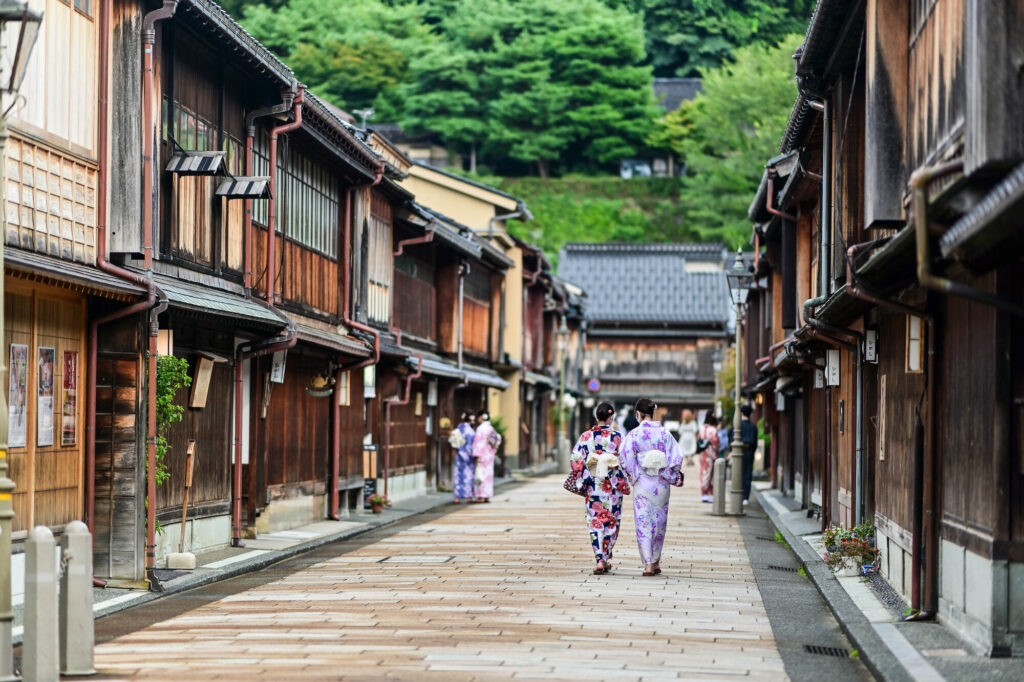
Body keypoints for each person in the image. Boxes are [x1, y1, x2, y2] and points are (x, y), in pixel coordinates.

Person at [619, 398, 683, 577]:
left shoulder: (634, 434)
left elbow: (625, 458)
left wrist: (633, 474)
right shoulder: (665, 433)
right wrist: (670, 473)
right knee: (659, 522)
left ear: (638, 414)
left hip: (643, 482)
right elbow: (676, 458)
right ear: (653, 412)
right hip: (661, 482)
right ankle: (655, 561)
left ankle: (648, 564)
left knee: (643, 522)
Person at [571, 402, 629, 574]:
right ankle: (605, 556)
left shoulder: (586, 437)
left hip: (593, 486)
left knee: (595, 522)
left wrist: (584, 474)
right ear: (611, 417)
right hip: (612, 486)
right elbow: (626, 461)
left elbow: (575, 460)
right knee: (612, 521)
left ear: (596, 416)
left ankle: (599, 559)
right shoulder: (618, 437)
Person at [472, 411, 500, 502]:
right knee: (488, 476)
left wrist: (477, 455)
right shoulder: (491, 428)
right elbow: (497, 439)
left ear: (481, 418)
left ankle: (481, 496)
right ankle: (487, 495)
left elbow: (478, 443)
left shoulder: (480, 429)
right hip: (489, 455)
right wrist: (493, 450)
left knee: (480, 475)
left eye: (478, 417)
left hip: (482, 455)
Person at [450, 412, 476, 503]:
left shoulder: (458, 429)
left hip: (459, 455)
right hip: (468, 456)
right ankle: (469, 496)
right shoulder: (470, 431)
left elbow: (454, 442)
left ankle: (457, 497)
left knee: (458, 476)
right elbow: (471, 445)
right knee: (468, 476)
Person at [737, 404, 758, 504]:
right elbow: (755, 443)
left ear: (741, 413)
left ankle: (738, 495)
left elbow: (731, 437)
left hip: (738, 452)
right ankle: (745, 497)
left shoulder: (738, 426)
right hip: (749, 452)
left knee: (738, 474)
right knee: (747, 474)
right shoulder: (753, 427)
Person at [697, 413, 720, 503]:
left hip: (702, 454)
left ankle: (704, 493)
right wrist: (717, 451)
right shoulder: (713, 430)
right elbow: (715, 443)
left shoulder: (702, 429)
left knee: (703, 472)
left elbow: (699, 439)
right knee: (708, 473)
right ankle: (705, 494)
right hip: (710, 454)